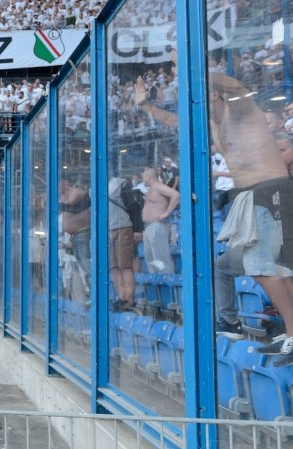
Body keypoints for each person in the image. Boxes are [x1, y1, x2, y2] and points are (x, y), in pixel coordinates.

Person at [136, 51, 293, 358]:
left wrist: (189, 66)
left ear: (216, 93)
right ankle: (284, 332)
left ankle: (292, 333)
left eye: (204, 93)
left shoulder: (244, 111)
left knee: (265, 267)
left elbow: (234, 85)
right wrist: (146, 106)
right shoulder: (214, 124)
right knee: (269, 268)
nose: (198, 99)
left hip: (269, 190)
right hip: (251, 197)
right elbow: (175, 120)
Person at [108, 176, 140, 311]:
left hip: (123, 227)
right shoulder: (94, 188)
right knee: (113, 267)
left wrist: (138, 229)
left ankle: (129, 298)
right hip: (109, 229)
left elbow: (133, 207)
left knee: (125, 265)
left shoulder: (121, 184)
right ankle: (121, 296)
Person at [140, 167, 179, 274]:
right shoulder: (151, 189)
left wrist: (166, 213)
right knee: (151, 261)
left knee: (161, 260)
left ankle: (169, 285)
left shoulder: (159, 186)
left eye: (143, 177)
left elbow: (175, 195)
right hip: (148, 228)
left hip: (157, 226)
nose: (142, 179)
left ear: (148, 177)